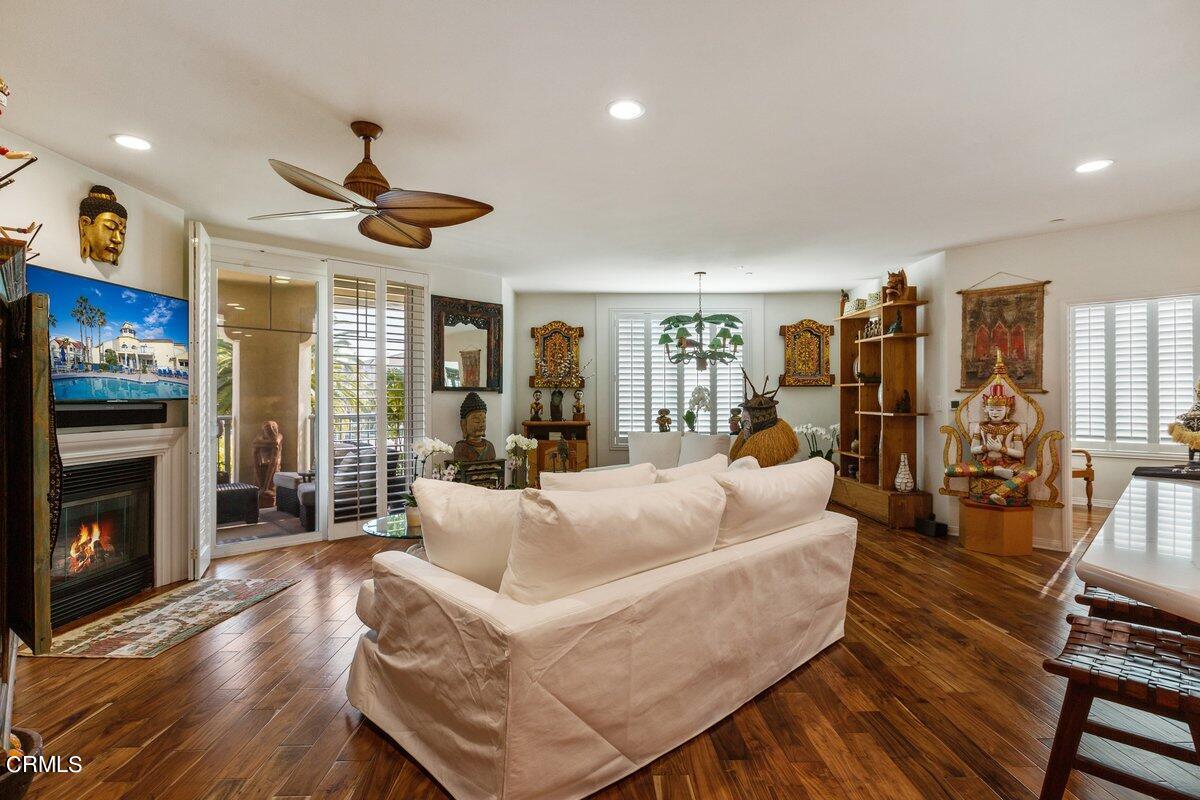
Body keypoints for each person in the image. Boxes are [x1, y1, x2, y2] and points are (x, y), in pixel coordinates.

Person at [453, 391, 496, 461]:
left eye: (484, 421)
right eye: (476, 421)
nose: (481, 425)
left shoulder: (490, 446)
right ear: (464, 424)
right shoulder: (461, 448)